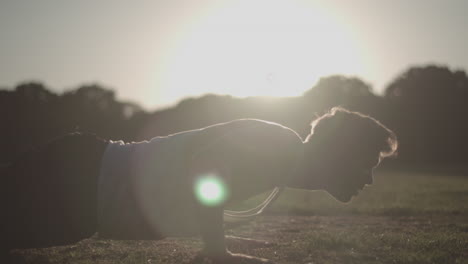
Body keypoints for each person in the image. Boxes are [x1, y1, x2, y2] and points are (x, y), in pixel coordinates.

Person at [0, 107, 397, 263]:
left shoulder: (282, 166)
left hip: (87, 196)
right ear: (341, 152)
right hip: (80, 176)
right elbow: (205, 169)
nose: (369, 177)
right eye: (368, 162)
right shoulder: (279, 144)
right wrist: (215, 248)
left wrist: (221, 237)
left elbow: (190, 185)